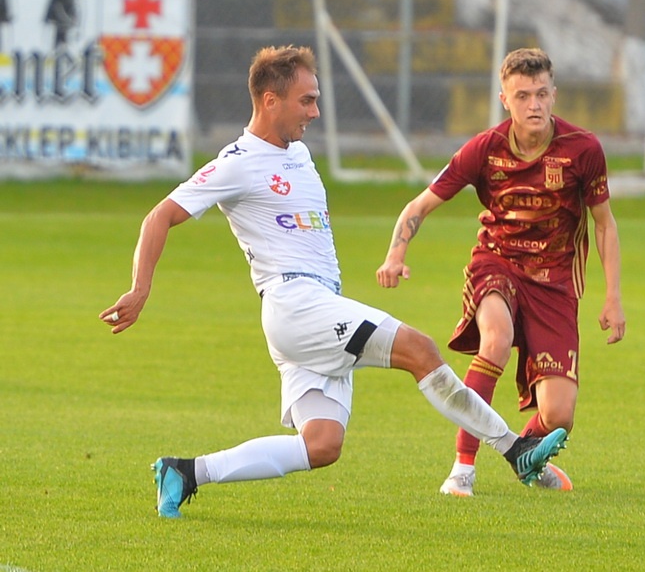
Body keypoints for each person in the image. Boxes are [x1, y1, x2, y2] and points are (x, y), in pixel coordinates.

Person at [99, 45, 568, 519]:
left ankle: (185, 472)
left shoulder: (298, 153)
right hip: (294, 304)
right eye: (306, 100)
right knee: (420, 349)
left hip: (315, 306)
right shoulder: (237, 162)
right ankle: (514, 450)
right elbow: (159, 215)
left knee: (322, 444)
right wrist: (141, 288)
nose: (316, 111)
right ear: (269, 101)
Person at [377, 47, 625, 497]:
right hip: (498, 264)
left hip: (554, 283)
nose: (535, 104)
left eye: (543, 94)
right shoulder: (484, 149)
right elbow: (420, 205)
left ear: (554, 95)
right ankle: (462, 469)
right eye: (524, 95)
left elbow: (604, 223)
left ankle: (525, 451)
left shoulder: (582, 149)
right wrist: (396, 254)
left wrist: (613, 297)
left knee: (561, 415)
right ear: (504, 99)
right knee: (494, 339)